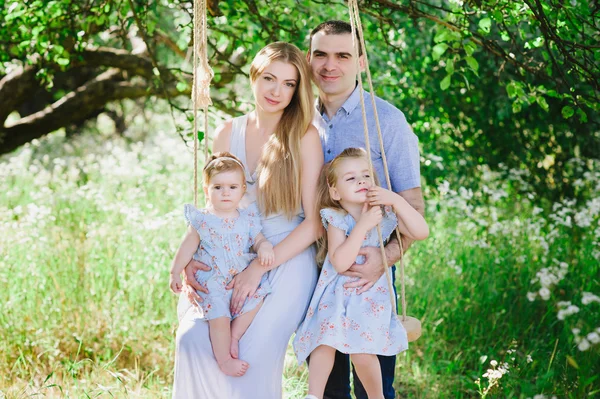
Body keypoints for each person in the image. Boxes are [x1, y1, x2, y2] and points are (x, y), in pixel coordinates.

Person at [172, 42, 324, 399]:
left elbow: (314, 224)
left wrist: (257, 267)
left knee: (250, 353)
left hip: (285, 256)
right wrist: (192, 258)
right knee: (193, 340)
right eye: (269, 78)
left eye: (289, 84)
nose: (277, 91)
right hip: (225, 252)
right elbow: (212, 206)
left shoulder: (304, 136)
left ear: (298, 89)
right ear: (253, 76)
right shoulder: (228, 132)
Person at [308, 21, 425, 399]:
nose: (330, 65)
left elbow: (413, 206)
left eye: (342, 55)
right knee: (327, 386)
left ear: (360, 61)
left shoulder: (386, 122)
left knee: (372, 384)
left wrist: (385, 258)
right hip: (314, 271)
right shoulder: (299, 120)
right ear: (308, 59)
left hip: (366, 271)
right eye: (321, 54)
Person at [294, 148, 429, 399]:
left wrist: (396, 200)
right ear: (335, 192)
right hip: (338, 291)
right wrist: (363, 225)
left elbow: (421, 232)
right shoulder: (336, 218)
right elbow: (341, 262)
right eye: (350, 178)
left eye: (366, 176)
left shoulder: (385, 214)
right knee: (324, 339)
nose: (361, 181)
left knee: (362, 351)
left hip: (369, 293)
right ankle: (313, 395)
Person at [169, 152, 275, 377]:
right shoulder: (203, 220)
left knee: (258, 297)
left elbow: (258, 240)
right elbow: (186, 248)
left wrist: (264, 247)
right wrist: (175, 272)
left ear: (242, 190)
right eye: (217, 187)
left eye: (232, 187)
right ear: (207, 190)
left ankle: (235, 336)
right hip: (215, 280)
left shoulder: (247, 218)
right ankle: (225, 359)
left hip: (239, 275)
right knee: (219, 317)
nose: (225, 192)